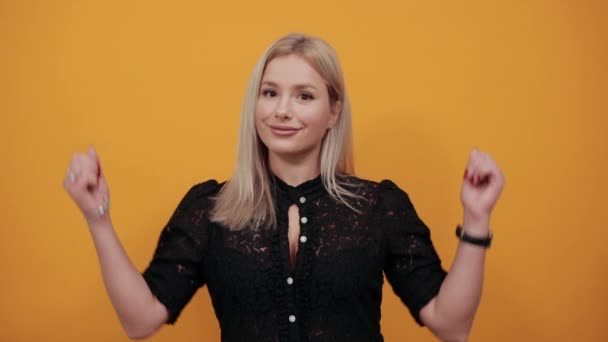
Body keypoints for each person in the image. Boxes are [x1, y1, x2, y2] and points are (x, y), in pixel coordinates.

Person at [63, 33, 505, 341]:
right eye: (270, 93)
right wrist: (96, 217)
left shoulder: (378, 206)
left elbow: (452, 325)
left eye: (304, 96)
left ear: (334, 110)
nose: (282, 111)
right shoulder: (211, 208)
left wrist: (477, 218)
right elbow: (140, 320)